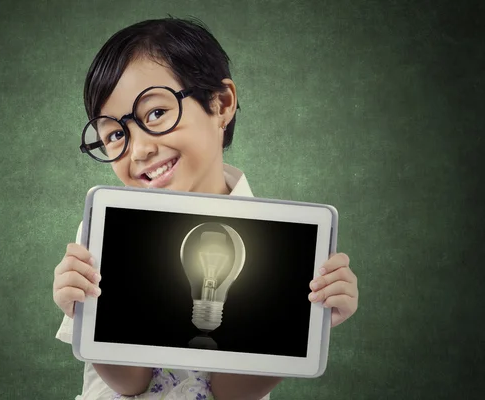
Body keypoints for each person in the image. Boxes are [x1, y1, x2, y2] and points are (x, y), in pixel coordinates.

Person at [53, 17, 359, 400]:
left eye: (156, 114)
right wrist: (83, 312)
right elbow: (131, 382)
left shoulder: (279, 246)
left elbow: (230, 393)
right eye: (115, 134)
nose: (140, 149)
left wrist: (306, 323)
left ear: (221, 103)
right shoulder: (103, 233)